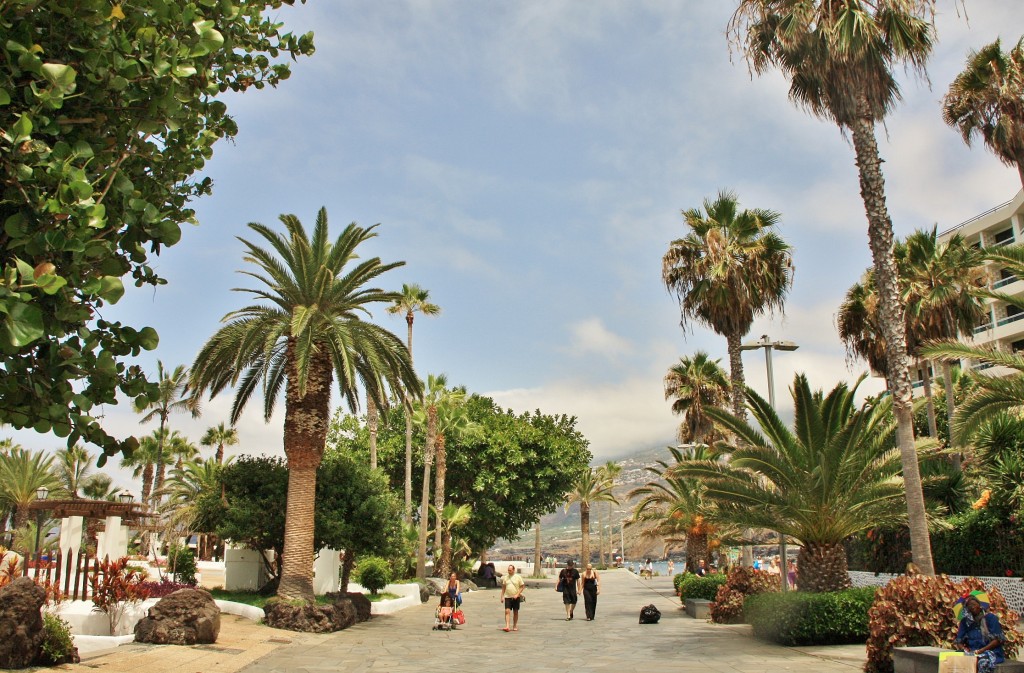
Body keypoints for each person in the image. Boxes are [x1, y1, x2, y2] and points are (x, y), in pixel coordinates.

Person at [955, 593, 1006, 673]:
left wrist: (981, 650)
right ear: (966, 609)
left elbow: (997, 640)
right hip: (972, 652)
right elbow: (959, 641)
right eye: (969, 606)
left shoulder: (990, 618)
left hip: (990, 652)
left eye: (974, 604)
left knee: (981, 662)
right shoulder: (965, 622)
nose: (972, 607)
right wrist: (964, 649)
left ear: (979, 605)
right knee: (954, 659)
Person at [500, 564, 525, 632]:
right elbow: (503, 587)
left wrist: (517, 594)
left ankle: (514, 625)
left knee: (515, 611)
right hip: (507, 596)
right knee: (507, 611)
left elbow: (522, 586)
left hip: (516, 597)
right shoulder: (506, 577)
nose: (509, 571)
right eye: (508, 570)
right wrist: (502, 596)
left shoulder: (518, 577)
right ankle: (507, 626)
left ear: (513, 570)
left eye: (510, 570)